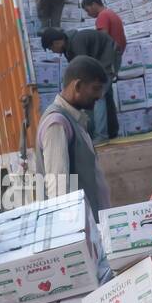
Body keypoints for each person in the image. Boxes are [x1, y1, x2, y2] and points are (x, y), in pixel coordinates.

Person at [36, 55, 112, 216]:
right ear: (77, 86)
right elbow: (58, 188)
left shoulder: (74, 120)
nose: (99, 96)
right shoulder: (56, 123)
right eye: (95, 89)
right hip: (79, 228)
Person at [40, 27, 121, 143]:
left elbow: (83, 69)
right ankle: (112, 132)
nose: (53, 51)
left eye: (51, 48)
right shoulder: (68, 48)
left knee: (97, 95)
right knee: (105, 94)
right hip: (100, 60)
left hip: (109, 57)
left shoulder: (76, 43)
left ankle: (101, 136)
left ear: (57, 42)